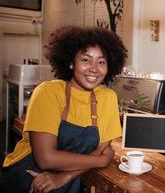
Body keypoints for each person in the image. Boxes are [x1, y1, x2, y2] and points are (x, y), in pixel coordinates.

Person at [0, 26, 127, 192]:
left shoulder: (108, 97)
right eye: (86, 60)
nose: (94, 68)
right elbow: (46, 159)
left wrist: (64, 177)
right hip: (28, 179)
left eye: (101, 62)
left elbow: (100, 150)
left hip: (67, 184)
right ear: (71, 63)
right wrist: (102, 161)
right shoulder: (48, 92)